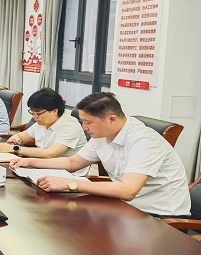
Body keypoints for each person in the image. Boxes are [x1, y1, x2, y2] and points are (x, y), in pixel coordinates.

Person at [10, 92, 191, 218]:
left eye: (88, 122)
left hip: (159, 217)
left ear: (111, 119)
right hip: (125, 207)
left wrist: (70, 183)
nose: (84, 128)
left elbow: (128, 190)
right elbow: (72, 162)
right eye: (82, 121)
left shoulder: (144, 140)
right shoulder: (102, 135)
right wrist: (29, 162)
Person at [0, 88, 87, 161]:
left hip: (67, 174)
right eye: (32, 113)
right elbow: (20, 136)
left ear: (54, 111)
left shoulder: (69, 126)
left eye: (38, 113)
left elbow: (50, 154)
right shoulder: (42, 123)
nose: (34, 117)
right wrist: (14, 141)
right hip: (42, 166)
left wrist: (14, 148)